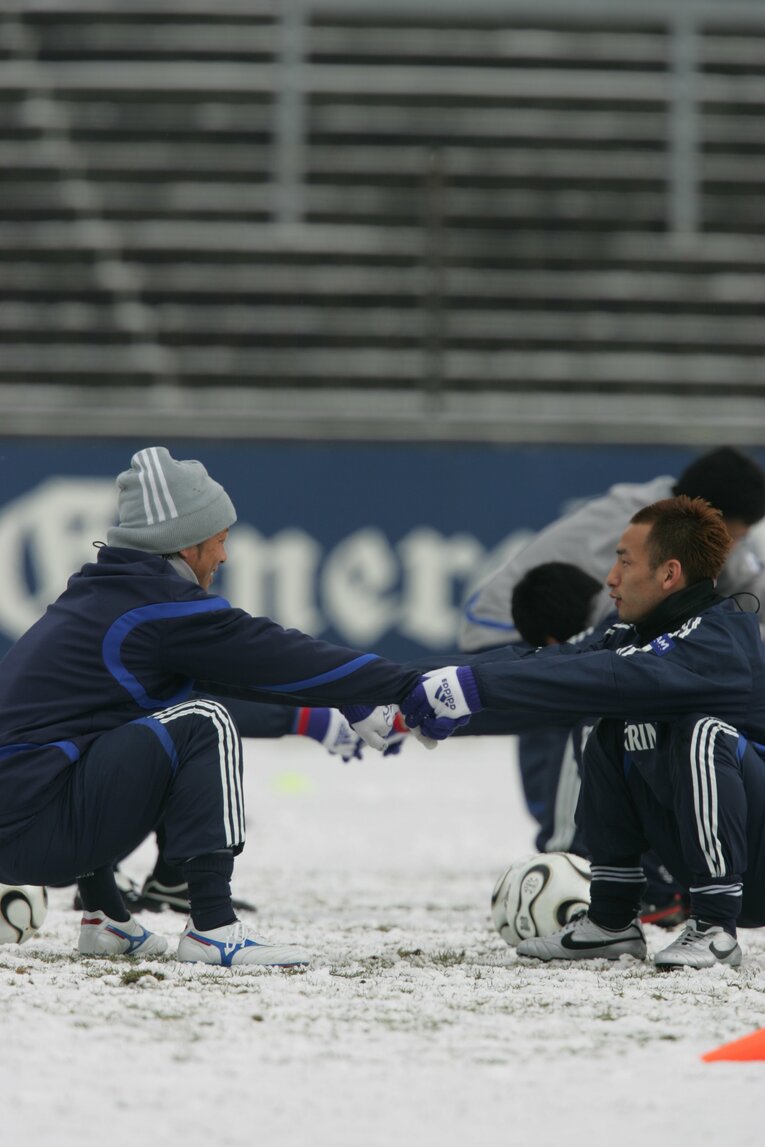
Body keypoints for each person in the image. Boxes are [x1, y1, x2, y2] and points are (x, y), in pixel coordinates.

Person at [0, 446, 428, 968]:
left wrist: (345, 698)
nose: (224, 557)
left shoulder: (109, 595)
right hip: (35, 829)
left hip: (24, 820)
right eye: (220, 540)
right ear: (185, 542)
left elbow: (242, 672)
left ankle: (105, 919)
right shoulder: (154, 609)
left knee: (130, 722)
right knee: (206, 722)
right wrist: (403, 682)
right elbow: (271, 655)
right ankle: (212, 925)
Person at [402, 495, 765, 969]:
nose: (610, 578)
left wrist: (471, 687)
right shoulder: (631, 636)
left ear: (669, 574)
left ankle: (715, 927)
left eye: (624, 561)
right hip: (719, 862)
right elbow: (547, 664)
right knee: (607, 725)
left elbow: (602, 676)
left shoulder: (718, 639)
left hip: (752, 866)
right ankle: (612, 922)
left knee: (702, 734)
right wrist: (400, 686)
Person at [460, 446, 765, 652]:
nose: (734, 547)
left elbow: (749, 586)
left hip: (568, 636)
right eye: (734, 537)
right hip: (506, 638)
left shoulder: (690, 516)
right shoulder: (639, 530)